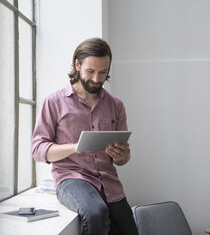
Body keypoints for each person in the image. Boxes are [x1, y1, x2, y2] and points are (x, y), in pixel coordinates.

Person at [32, 38, 138, 235]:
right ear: (77, 65)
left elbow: (122, 159)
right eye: (91, 71)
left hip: (109, 182)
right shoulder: (54, 102)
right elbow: (38, 150)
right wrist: (77, 146)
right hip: (72, 178)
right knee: (96, 213)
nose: (97, 79)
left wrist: (122, 156)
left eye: (103, 72)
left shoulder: (116, 105)